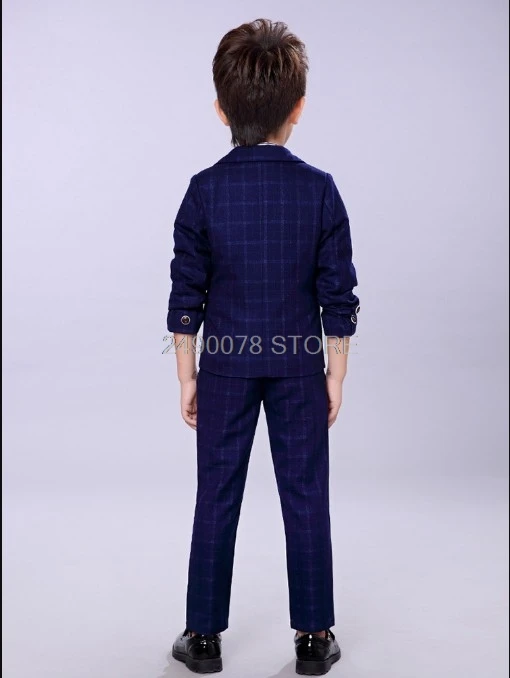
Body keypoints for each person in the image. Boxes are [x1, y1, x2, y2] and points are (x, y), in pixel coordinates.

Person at [167, 17, 360, 675]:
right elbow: (338, 294)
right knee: (305, 497)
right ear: (297, 108)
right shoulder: (319, 190)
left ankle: (202, 638)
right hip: (300, 368)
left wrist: (186, 376)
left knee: (216, 495)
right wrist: (335, 375)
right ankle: (314, 638)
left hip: (223, 368)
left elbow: (186, 294)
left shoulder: (204, 191)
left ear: (221, 109)